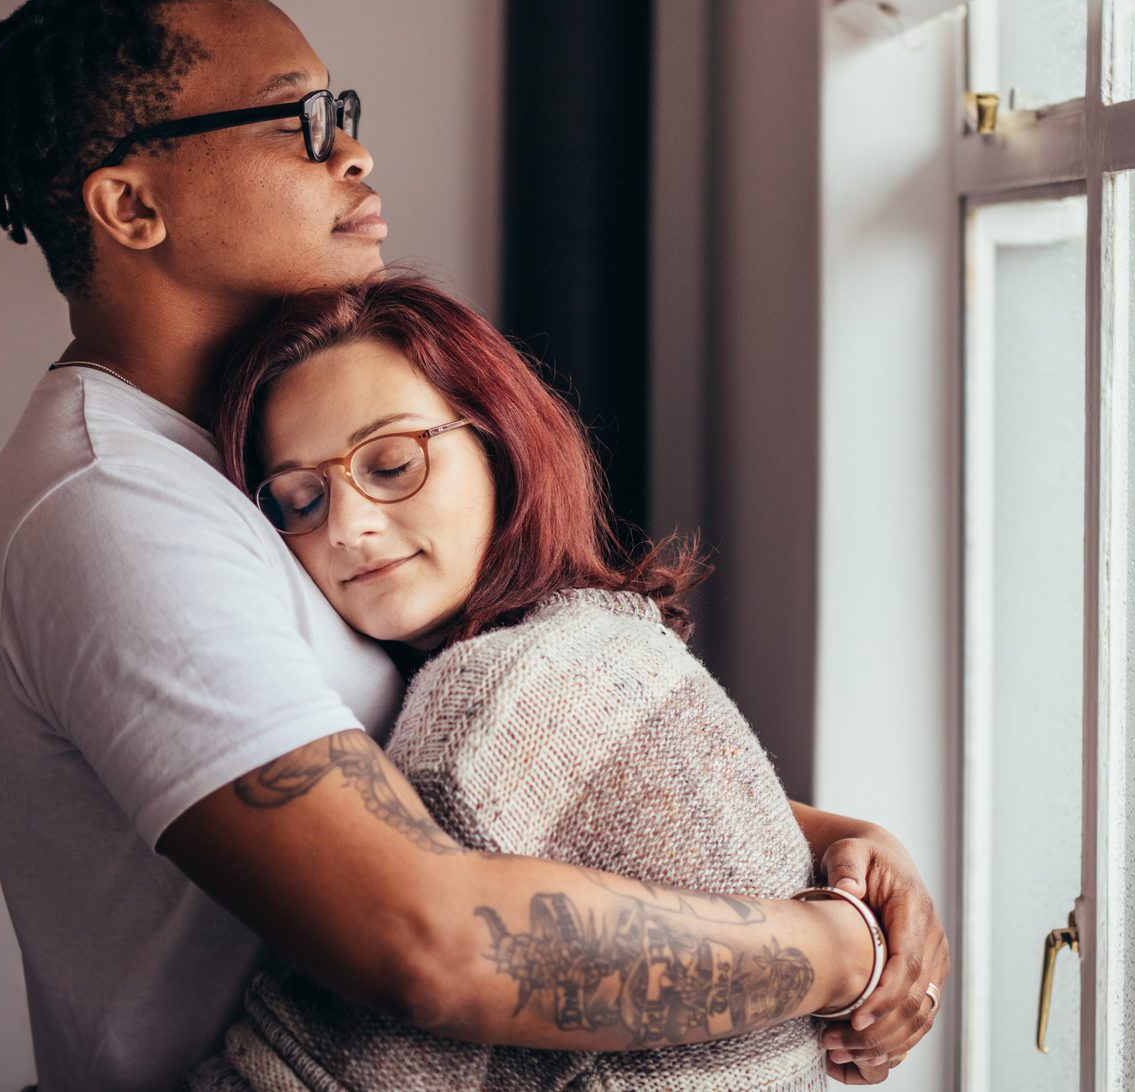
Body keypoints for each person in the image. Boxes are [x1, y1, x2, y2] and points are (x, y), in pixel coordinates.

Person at [0, 0, 947, 1092]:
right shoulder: (121, 510)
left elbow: (465, 772)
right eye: (298, 120)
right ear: (131, 204)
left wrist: (824, 845)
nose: (354, 149)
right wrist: (836, 950)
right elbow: (425, 942)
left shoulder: (237, 453)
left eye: (344, 112)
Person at [176, 272, 909, 1090]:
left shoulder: (493, 699)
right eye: (301, 499)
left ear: (499, 441)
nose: (348, 526)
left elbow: (313, 1076)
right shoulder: (608, 640)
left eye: (391, 464)